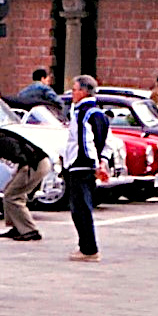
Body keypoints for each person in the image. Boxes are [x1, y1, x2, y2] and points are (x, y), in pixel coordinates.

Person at [62, 74, 110, 262]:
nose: (72, 94)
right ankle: (86, 246)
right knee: (83, 206)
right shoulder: (99, 114)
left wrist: (93, 162)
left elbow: (85, 141)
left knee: (80, 208)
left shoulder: (83, 114)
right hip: (88, 165)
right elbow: (108, 140)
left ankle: (88, 248)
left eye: (74, 90)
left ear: (83, 92)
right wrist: (103, 160)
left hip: (81, 165)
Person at [0, 120, 50, 243]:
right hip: (37, 162)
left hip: (32, 164)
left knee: (12, 195)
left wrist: (23, 168)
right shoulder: (0, 135)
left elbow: (17, 154)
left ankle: (29, 230)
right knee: (11, 192)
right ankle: (17, 227)